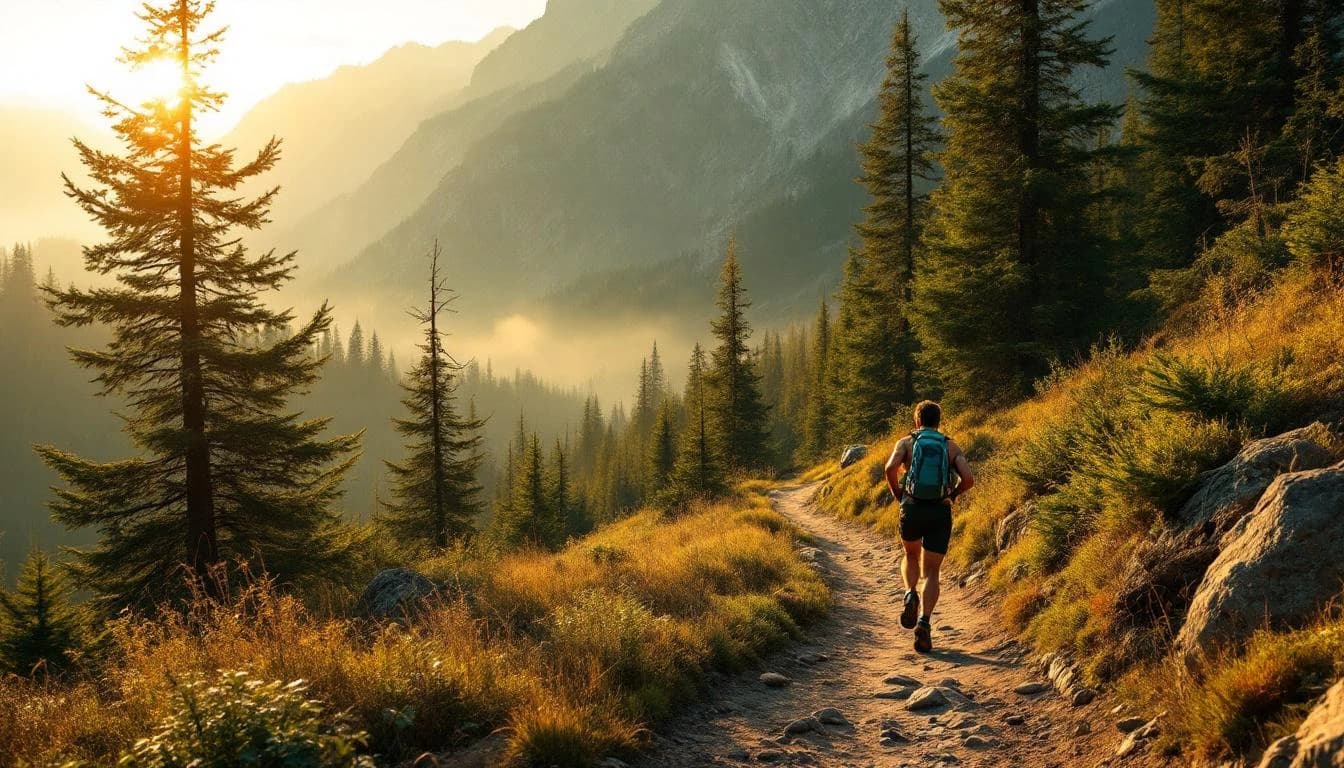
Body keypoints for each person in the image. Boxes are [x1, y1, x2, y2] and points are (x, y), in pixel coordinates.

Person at [884, 400, 974, 653]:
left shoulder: (906, 442)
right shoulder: (950, 445)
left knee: (910, 554)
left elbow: (890, 468)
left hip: (912, 508)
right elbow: (969, 479)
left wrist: (898, 494)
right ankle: (924, 621)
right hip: (939, 511)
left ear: (917, 421)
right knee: (933, 571)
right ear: (939, 421)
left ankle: (910, 593)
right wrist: (953, 495)